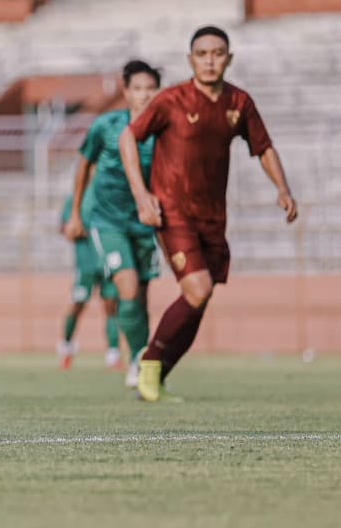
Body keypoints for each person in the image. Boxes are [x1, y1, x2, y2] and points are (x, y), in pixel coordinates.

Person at [119, 26, 297, 402]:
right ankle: (147, 362)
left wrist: (282, 188)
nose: (210, 60)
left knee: (200, 297)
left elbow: (263, 148)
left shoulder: (239, 102)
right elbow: (128, 137)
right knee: (197, 289)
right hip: (173, 212)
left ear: (228, 58)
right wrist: (141, 194)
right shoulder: (171, 100)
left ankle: (157, 375)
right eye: (202, 53)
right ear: (191, 60)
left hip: (213, 217)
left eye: (218, 53)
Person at [66, 60, 161, 387]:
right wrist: (76, 211)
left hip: (147, 225)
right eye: (138, 89)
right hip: (107, 222)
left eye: (150, 88)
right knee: (128, 288)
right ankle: (136, 361)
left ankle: (145, 365)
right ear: (126, 92)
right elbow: (83, 166)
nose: (144, 95)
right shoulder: (106, 126)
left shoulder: (163, 132)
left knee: (142, 298)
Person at [58, 189, 121, 371]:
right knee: (77, 304)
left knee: (111, 306)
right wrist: (73, 227)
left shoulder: (107, 194)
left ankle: (113, 354)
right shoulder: (75, 197)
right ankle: (66, 348)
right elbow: (64, 227)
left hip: (106, 260)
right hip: (85, 263)